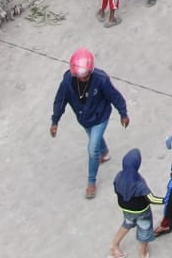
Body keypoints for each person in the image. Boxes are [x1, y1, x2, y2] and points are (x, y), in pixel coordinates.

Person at [49, 48, 130, 199]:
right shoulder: (67, 81)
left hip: (101, 117)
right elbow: (60, 101)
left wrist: (123, 113)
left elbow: (114, 96)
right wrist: (55, 121)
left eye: (86, 76)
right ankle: (104, 153)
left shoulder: (101, 79)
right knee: (95, 138)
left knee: (92, 148)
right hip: (83, 119)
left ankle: (91, 182)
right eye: (80, 76)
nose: (83, 79)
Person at [109, 149, 162, 258]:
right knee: (144, 230)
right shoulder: (139, 185)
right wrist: (166, 200)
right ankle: (143, 252)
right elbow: (152, 199)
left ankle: (114, 245)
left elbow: (115, 187)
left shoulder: (119, 176)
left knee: (127, 224)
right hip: (142, 212)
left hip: (126, 210)